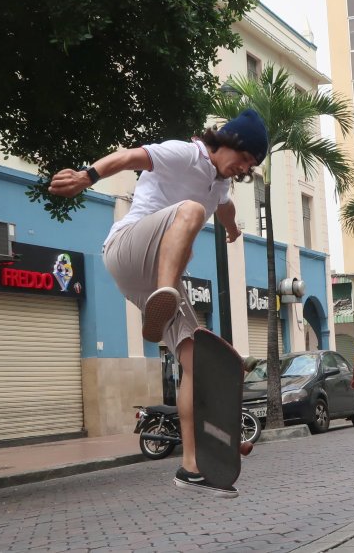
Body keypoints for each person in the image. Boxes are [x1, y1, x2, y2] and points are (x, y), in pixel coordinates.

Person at [49, 110, 267, 498]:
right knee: (191, 211)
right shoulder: (186, 153)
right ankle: (165, 293)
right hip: (127, 248)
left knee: (196, 361)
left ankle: (193, 464)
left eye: (250, 166)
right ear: (230, 141)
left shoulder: (219, 186)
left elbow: (227, 207)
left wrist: (233, 229)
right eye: (245, 158)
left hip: (146, 277)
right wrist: (87, 176)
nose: (243, 168)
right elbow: (129, 156)